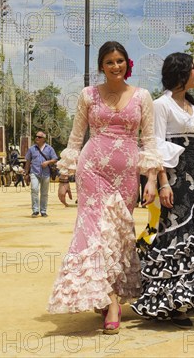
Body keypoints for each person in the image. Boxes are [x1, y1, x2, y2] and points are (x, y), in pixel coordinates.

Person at [47, 41, 162, 336]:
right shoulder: (88, 95)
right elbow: (75, 138)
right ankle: (111, 302)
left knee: (118, 234)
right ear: (101, 66)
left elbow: (149, 141)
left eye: (120, 61)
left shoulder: (143, 96)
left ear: (127, 63)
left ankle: (105, 290)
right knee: (95, 233)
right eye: (109, 62)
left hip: (126, 176)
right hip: (92, 170)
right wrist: (63, 179)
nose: (115, 66)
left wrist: (150, 178)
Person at [131, 52, 194, 327]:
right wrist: (162, 183)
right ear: (182, 73)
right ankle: (171, 302)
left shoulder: (192, 107)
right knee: (174, 236)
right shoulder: (160, 105)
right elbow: (156, 145)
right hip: (173, 181)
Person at [24, 131, 58, 217]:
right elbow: (28, 162)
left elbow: (55, 159)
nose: (37, 138)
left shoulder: (49, 148)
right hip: (34, 172)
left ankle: (43, 211)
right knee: (34, 189)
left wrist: (48, 162)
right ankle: (35, 210)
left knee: (44, 193)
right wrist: (26, 173)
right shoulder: (31, 149)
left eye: (39, 137)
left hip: (46, 174)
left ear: (43, 139)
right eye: (36, 136)